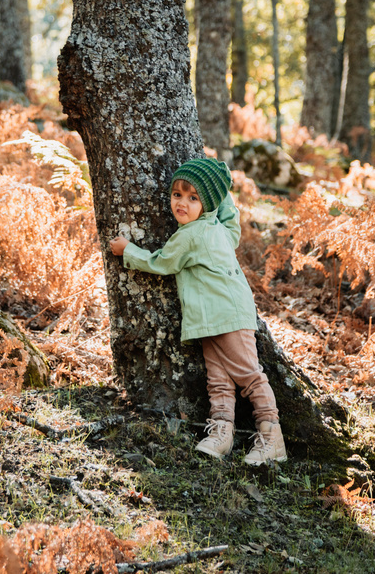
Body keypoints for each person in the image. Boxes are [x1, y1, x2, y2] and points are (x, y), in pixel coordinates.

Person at [109, 158, 286, 465]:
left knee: (249, 376)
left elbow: (162, 262)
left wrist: (128, 251)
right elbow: (232, 219)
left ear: (206, 204)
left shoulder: (190, 236)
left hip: (227, 316)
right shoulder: (221, 230)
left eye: (194, 198)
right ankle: (221, 433)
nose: (182, 203)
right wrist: (223, 190)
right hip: (212, 318)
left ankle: (272, 438)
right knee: (218, 380)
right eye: (177, 194)